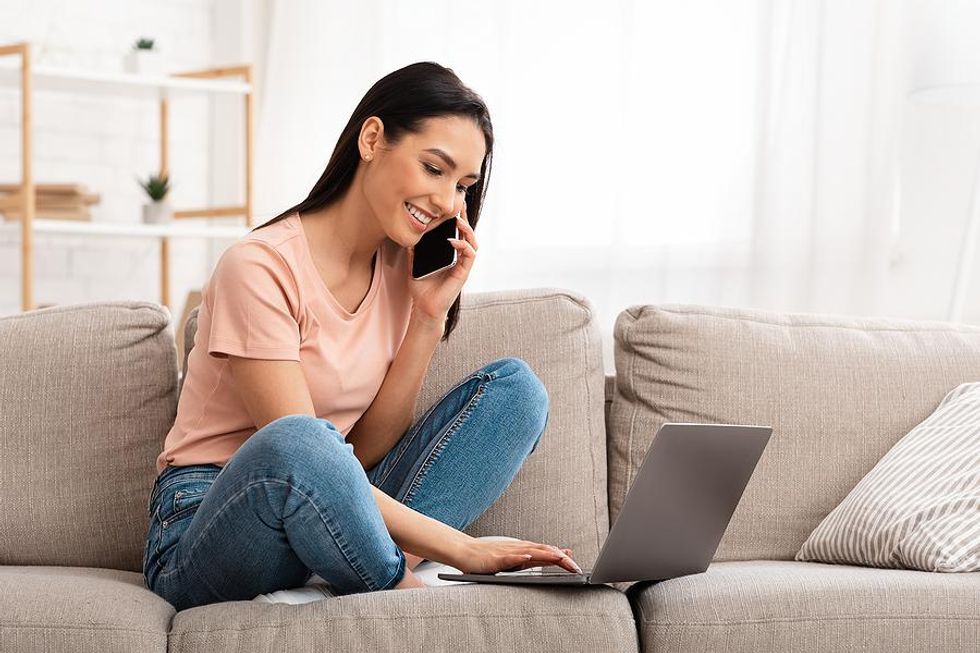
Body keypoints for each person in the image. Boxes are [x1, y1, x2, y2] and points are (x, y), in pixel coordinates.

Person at [142, 61, 581, 611]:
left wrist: (426, 317)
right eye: (434, 169)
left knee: (518, 392)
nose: (448, 203)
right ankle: (398, 592)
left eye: (463, 185)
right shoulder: (258, 267)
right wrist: (465, 550)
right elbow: (298, 456)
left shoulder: (403, 268)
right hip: (212, 523)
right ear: (372, 139)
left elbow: (365, 448)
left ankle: (343, 570)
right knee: (300, 439)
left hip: (331, 504)